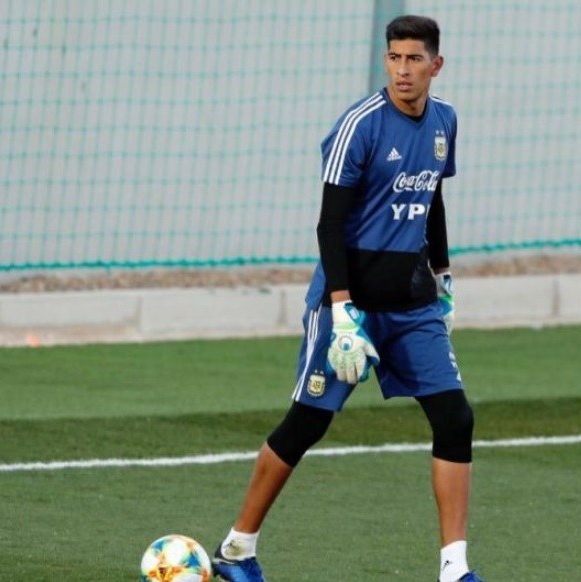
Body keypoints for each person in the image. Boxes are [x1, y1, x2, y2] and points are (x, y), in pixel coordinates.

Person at [211, 15, 484, 582]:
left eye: (414, 59)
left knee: (455, 418)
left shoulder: (445, 121)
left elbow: (431, 196)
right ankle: (237, 549)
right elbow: (329, 224)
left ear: (436, 65)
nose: (402, 70)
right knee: (307, 424)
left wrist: (443, 274)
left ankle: (454, 569)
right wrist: (341, 311)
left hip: (412, 305)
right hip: (350, 306)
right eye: (394, 58)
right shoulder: (359, 125)